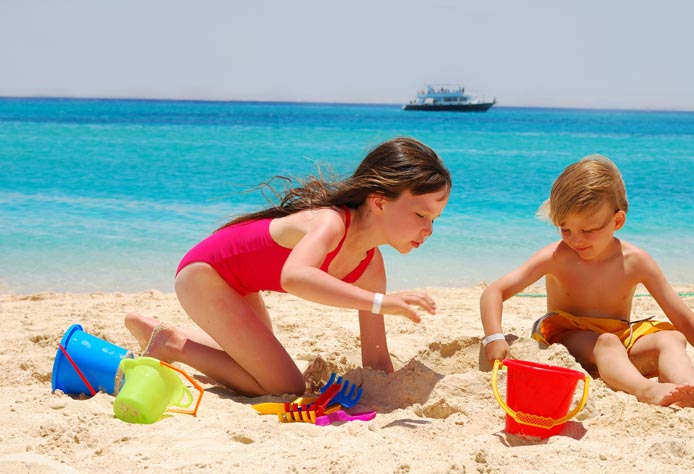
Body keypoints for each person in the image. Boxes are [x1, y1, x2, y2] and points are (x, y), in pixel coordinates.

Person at [126, 137, 451, 396]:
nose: (428, 229)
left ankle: (164, 333)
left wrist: (392, 392)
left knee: (257, 360)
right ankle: (172, 345)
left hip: (240, 284)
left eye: (434, 220)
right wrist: (380, 302)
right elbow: (295, 276)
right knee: (286, 385)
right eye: (420, 215)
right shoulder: (330, 223)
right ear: (379, 202)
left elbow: (376, 357)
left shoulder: (371, 266)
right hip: (206, 275)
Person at [480, 154, 694, 410]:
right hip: (569, 336)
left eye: (587, 230)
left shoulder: (636, 261)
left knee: (671, 338)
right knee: (607, 342)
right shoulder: (556, 257)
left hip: (620, 342)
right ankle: (645, 389)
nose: (575, 239)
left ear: (617, 221)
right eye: (565, 229)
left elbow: (682, 317)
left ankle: (687, 389)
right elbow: (495, 291)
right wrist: (494, 336)